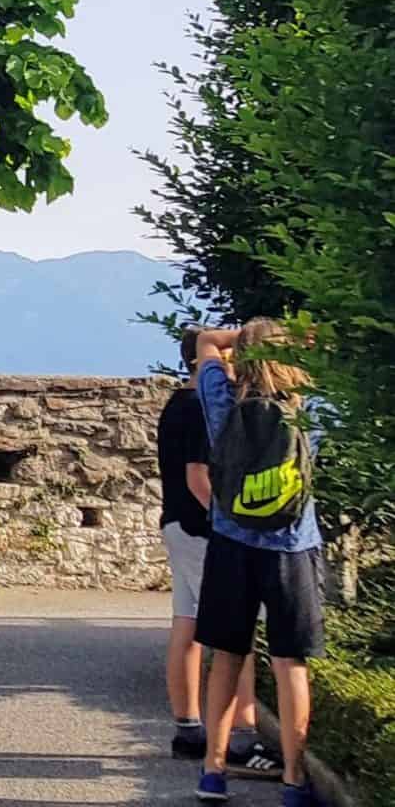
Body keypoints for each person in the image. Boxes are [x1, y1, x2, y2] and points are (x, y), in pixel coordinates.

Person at [188, 320, 324, 806]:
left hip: (231, 543)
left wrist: (236, 334)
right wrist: (293, 336)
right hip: (292, 544)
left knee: (227, 658)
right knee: (291, 663)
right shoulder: (308, 407)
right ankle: (293, 777)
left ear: (240, 358)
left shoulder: (223, 404)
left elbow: (205, 343)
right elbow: (325, 345)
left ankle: (213, 771)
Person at [157, 329, 272, 769]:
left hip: (177, 522)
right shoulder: (201, 409)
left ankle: (188, 727)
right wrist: (230, 523)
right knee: (231, 630)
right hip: (203, 528)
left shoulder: (175, 406)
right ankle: (241, 736)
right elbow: (198, 476)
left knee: (187, 624)